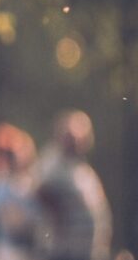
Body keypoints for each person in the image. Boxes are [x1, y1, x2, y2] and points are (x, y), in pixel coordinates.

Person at [34, 110, 112, 260]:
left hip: (86, 249)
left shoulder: (81, 166)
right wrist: (61, 224)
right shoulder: (53, 162)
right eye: (71, 136)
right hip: (64, 251)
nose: (76, 140)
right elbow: (41, 191)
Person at [0, 123, 41, 260]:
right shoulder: (0, 183)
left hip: (32, 250)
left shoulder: (32, 181)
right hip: (10, 251)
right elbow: (12, 223)